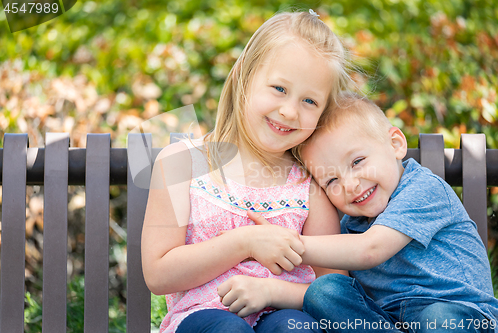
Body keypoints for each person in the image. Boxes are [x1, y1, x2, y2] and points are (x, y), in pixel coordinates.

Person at [141, 10, 352, 333]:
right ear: (243, 76)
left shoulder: (308, 187)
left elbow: (336, 292)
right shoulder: (182, 163)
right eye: (279, 88)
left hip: (285, 312)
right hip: (203, 318)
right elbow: (158, 274)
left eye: (309, 101)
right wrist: (246, 242)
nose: (289, 110)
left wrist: (273, 291)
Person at [284, 92, 498, 332]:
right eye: (332, 180)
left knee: (436, 318)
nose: (350, 184)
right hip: (389, 323)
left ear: (396, 144)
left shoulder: (423, 189)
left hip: (461, 317)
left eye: (357, 162)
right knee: (324, 292)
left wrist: (285, 246)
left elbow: (370, 249)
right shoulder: (350, 227)